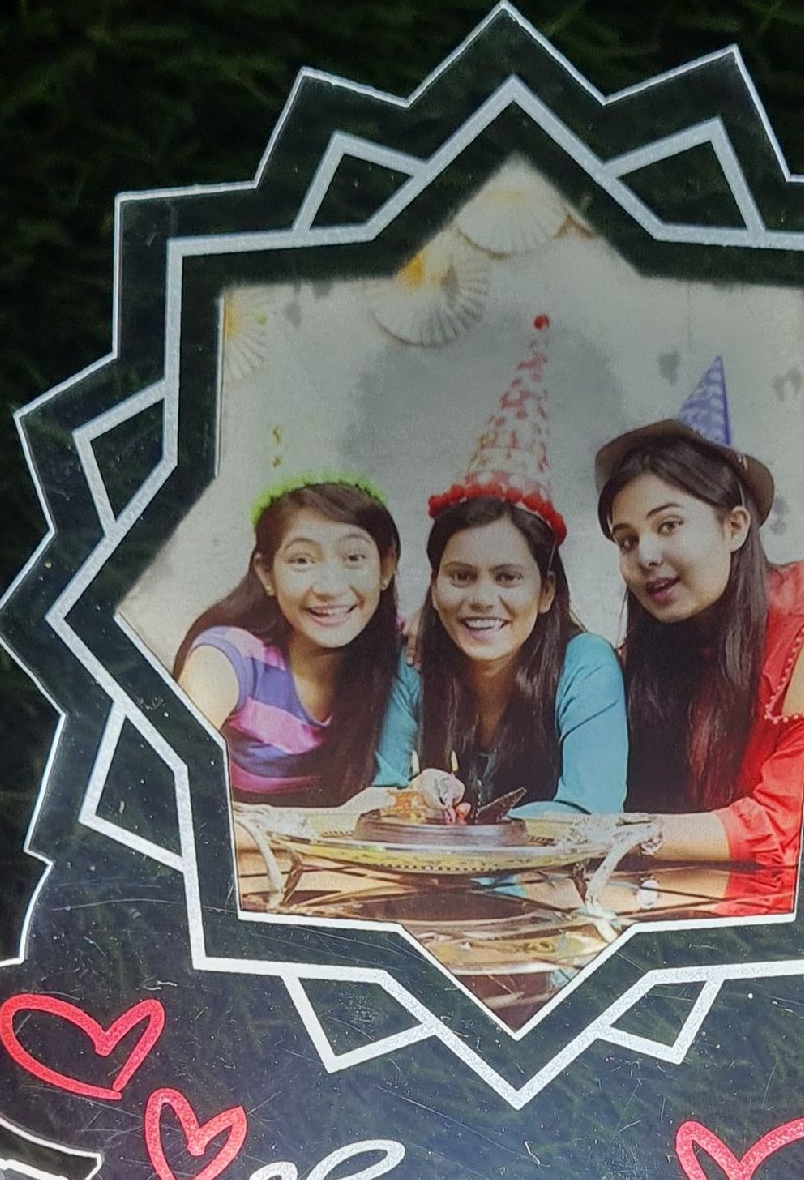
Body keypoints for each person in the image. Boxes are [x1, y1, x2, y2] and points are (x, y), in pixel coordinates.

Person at [596, 389, 804, 898]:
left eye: (668, 525)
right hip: (689, 898)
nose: (645, 555)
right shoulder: (659, 649)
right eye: (627, 540)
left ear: (734, 527)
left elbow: (792, 825)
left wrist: (622, 835)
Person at [374, 316, 626, 818]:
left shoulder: (585, 666)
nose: (482, 599)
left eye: (507, 577)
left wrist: (477, 829)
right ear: (434, 584)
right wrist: (413, 798)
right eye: (461, 576)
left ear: (547, 590)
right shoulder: (416, 663)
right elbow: (382, 793)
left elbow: (591, 811)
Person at [174, 477, 401, 808]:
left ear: (386, 567)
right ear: (266, 574)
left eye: (353, 557)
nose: (329, 587)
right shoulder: (228, 659)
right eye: (302, 561)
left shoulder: (398, 651)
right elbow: (167, 788)